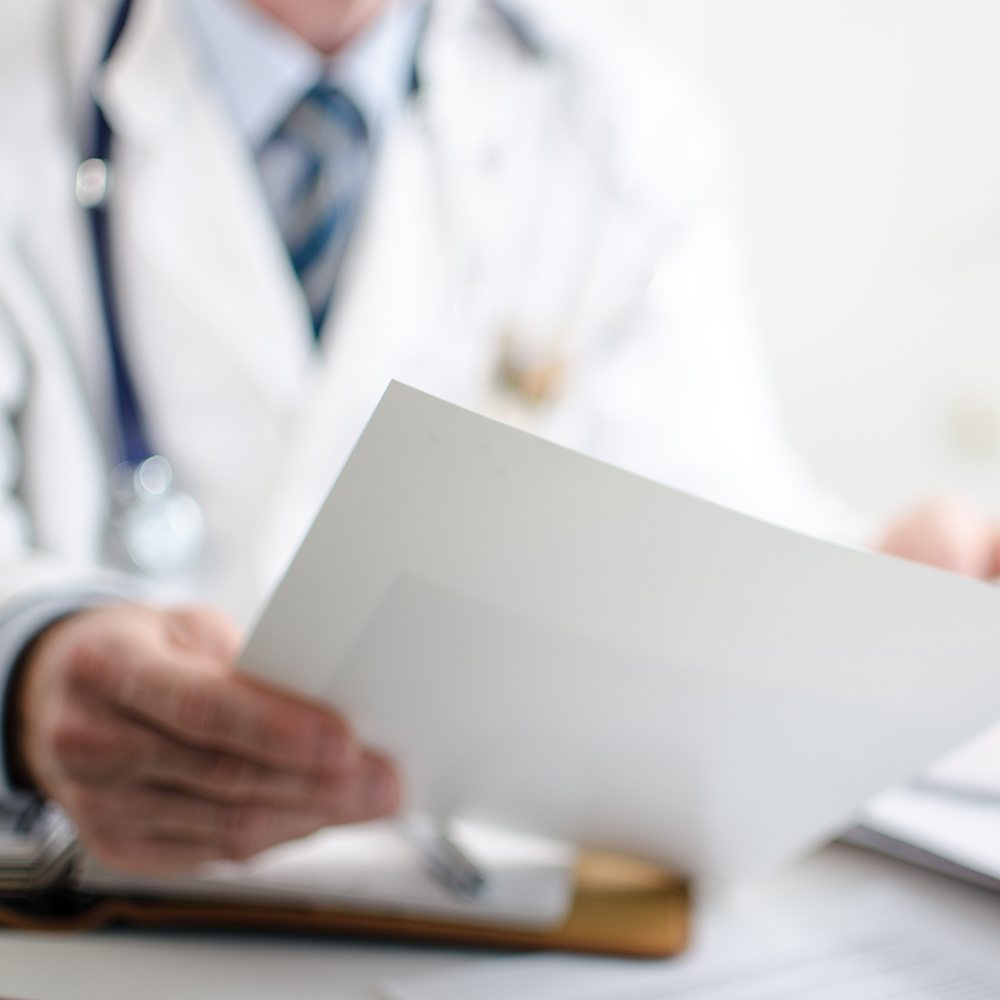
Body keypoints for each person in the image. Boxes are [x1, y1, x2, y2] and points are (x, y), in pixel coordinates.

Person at [0, 0, 998, 875]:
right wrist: (26, 669)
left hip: (480, 933)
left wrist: (867, 594)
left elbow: (705, 517)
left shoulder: (615, 121)